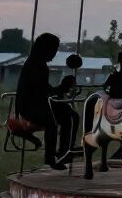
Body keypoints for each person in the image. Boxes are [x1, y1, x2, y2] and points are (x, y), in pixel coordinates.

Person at [15, 33, 76, 170]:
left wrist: (60, 89)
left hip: (33, 104)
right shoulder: (37, 66)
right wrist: (61, 88)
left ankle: (63, 151)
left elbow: (44, 91)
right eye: (53, 50)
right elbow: (43, 92)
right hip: (30, 108)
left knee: (69, 115)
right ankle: (54, 155)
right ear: (45, 49)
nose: (54, 54)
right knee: (54, 123)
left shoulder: (36, 64)